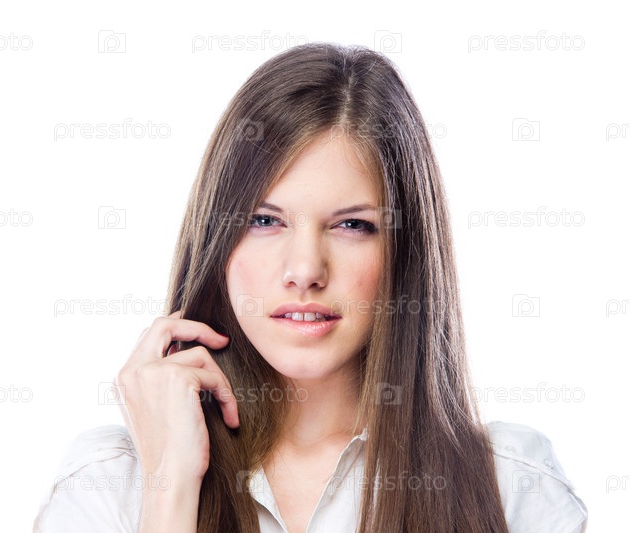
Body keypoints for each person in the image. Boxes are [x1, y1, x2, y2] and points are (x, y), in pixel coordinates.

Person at [33, 42, 588, 533]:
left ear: (406, 250)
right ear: (217, 241)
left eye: (352, 225)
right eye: (264, 220)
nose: (304, 270)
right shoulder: (110, 487)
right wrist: (170, 486)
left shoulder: (513, 488)